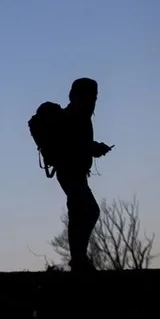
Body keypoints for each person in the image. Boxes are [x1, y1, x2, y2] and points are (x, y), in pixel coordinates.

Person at [57, 78, 112, 271]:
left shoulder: (75, 114)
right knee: (86, 211)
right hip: (70, 171)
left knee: (82, 211)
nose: (94, 100)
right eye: (92, 96)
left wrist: (93, 148)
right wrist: (95, 148)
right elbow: (76, 144)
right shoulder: (76, 115)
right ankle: (78, 258)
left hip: (73, 171)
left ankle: (78, 258)